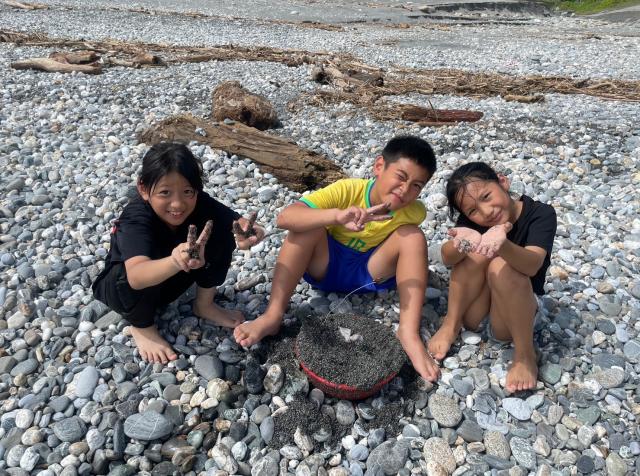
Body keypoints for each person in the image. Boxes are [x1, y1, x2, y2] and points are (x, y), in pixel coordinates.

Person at [234, 135, 441, 382]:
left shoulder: (414, 212)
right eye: (401, 177)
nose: (405, 190)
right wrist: (336, 216)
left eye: (416, 186)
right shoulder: (347, 190)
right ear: (379, 166)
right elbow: (285, 218)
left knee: (413, 237)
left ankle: (408, 332)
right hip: (325, 266)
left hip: (369, 273)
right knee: (306, 228)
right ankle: (273, 314)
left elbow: (407, 249)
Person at [92, 142, 264, 363]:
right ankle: (142, 327)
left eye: (187, 192)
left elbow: (239, 223)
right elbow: (135, 276)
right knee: (123, 275)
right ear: (143, 188)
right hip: (126, 289)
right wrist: (174, 261)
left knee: (221, 232)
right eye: (165, 192)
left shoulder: (200, 203)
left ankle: (204, 305)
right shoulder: (136, 217)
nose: (177, 204)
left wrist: (250, 234)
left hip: (168, 282)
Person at [428, 162, 556, 392]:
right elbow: (447, 258)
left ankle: (524, 355)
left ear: (502, 182)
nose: (486, 212)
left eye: (486, 196)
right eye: (472, 211)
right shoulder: (474, 222)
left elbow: (532, 265)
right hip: (475, 315)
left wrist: (502, 244)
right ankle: (451, 323)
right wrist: (461, 243)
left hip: (513, 317)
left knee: (501, 264)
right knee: (473, 251)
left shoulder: (540, 214)